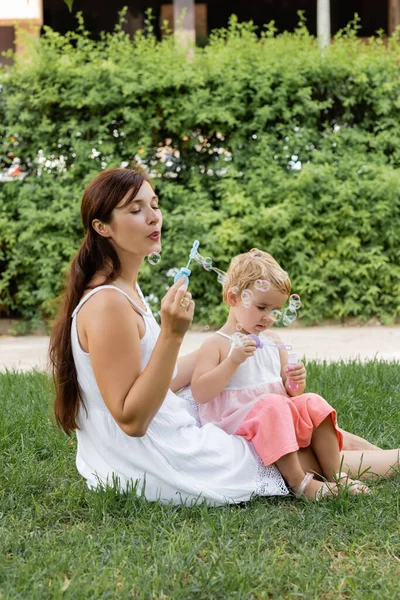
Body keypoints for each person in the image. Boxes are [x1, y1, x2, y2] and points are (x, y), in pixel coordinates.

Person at [49, 168, 399, 505]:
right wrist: (172, 334)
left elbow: (152, 377)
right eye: (135, 209)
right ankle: (390, 461)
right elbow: (132, 420)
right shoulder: (109, 304)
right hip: (149, 461)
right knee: (296, 448)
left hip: (149, 442)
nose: (154, 217)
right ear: (102, 227)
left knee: (301, 418)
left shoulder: (124, 289)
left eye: (154, 204)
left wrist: (219, 352)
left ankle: (385, 457)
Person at [191, 249, 399, 499]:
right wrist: (232, 361)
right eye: (261, 307)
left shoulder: (271, 341)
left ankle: (335, 474)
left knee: (313, 401)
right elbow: (201, 393)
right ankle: (301, 483)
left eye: (275, 310)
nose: (268, 318)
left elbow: (288, 392)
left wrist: (294, 382)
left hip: (276, 417)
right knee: (272, 405)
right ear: (233, 298)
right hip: (235, 423)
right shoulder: (217, 344)